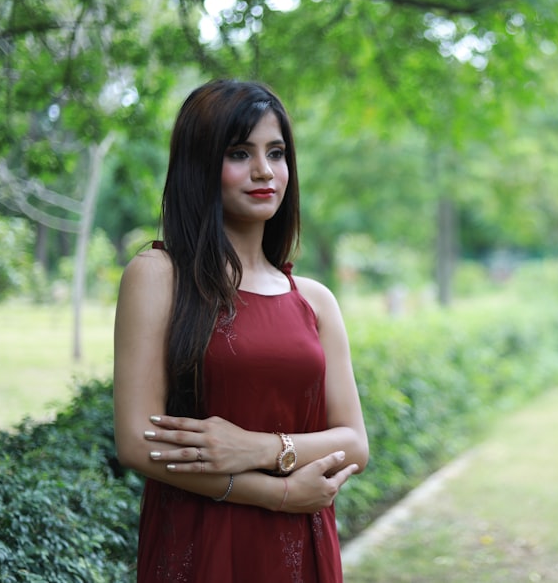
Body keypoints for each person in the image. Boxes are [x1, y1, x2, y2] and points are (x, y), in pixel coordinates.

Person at [113, 79, 368, 582]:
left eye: (276, 153)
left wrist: (261, 448)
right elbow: (138, 442)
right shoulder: (159, 275)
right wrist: (278, 492)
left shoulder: (314, 300)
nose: (263, 171)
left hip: (303, 545)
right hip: (200, 541)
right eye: (239, 153)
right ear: (200, 165)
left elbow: (354, 443)